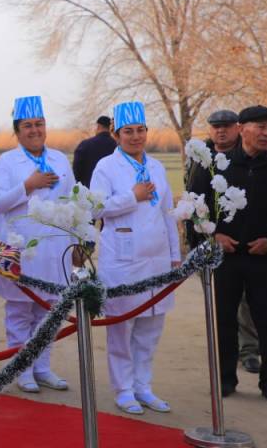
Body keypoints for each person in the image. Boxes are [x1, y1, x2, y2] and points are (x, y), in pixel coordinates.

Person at [189, 105, 267, 405]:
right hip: (225, 258)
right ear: (242, 129)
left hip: (264, 260)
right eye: (260, 127)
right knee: (223, 319)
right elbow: (194, 209)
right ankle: (224, 378)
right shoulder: (215, 168)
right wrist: (213, 236)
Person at [90, 101, 181, 415]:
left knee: (150, 328)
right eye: (128, 131)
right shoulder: (106, 167)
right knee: (122, 328)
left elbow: (167, 213)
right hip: (123, 259)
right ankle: (124, 389)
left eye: (140, 130)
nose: (135, 136)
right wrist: (133, 196)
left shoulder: (156, 167)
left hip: (156, 259)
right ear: (115, 135)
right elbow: (96, 208)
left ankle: (143, 386)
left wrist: (174, 255)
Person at [0, 95, 73, 394]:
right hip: (24, 249)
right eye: (27, 125)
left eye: (39, 124)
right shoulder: (7, 162)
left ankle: (42, 367)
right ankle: (22, 369)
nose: (35, 130)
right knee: (20, 313)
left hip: (56, 249)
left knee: (48, 313)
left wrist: (76, 241)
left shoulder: (60, 159)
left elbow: (72, 201)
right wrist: (27, 185)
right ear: (17, 131)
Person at [192, 109, 261, 375]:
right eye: (216, 126)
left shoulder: (250, 156)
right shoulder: (201, 159)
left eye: (227, 126)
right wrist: (206, 238)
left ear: (238, 128)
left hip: (244, 242)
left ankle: (249, 350)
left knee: (246, 302)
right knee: (219, 303)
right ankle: (224, 353)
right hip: (211, 242)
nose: (221, 131)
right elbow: (194, 202)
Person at [72, 115, 116, 186]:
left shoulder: (85, 145)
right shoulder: (116, 146)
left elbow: (76, 168)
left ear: (98, 126)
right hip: (112, 188)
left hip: (88, 188)